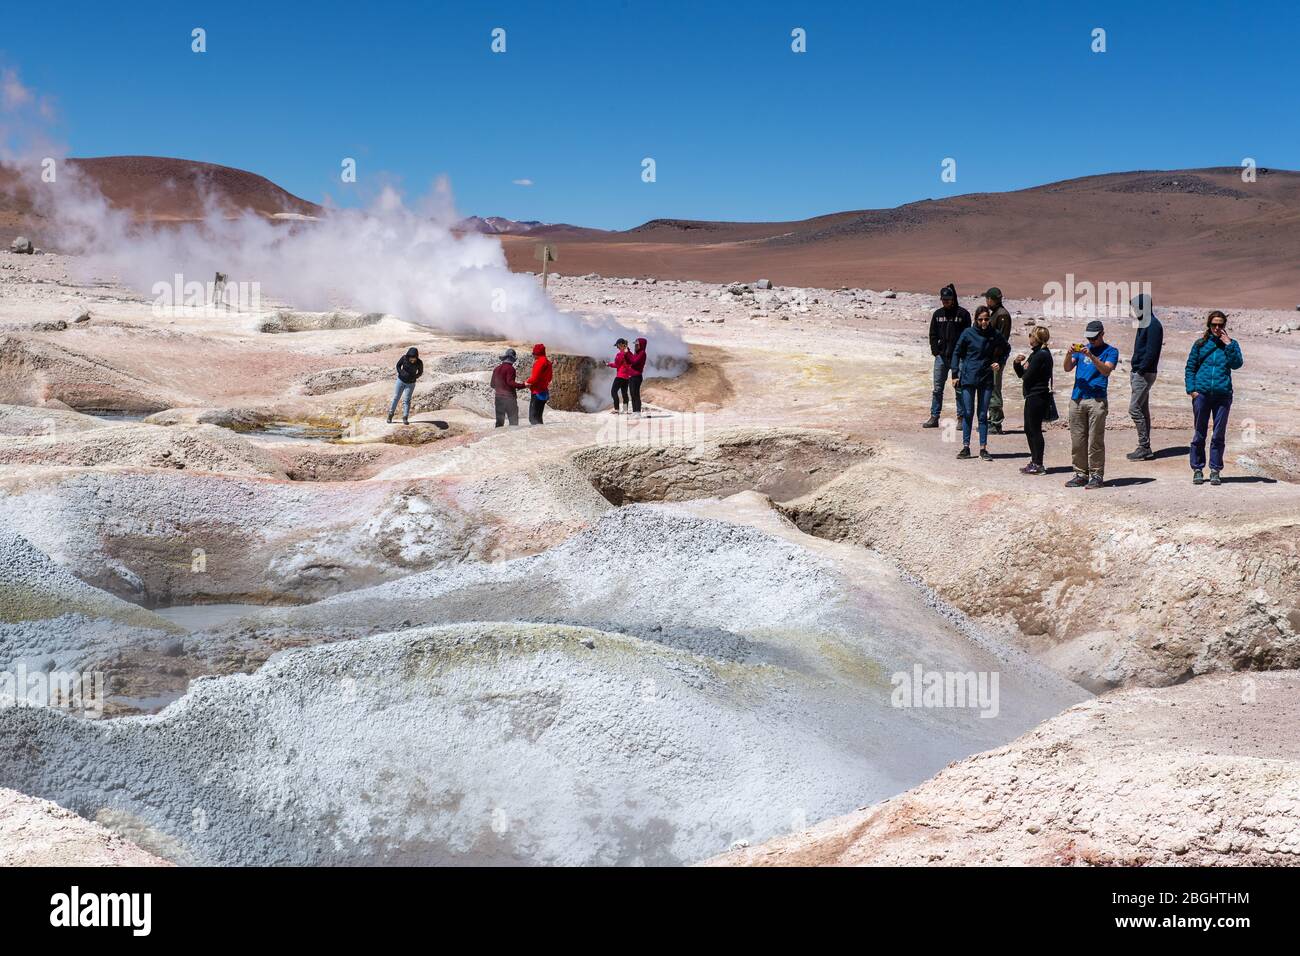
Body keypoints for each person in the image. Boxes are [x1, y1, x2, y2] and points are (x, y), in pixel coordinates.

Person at [1185, 310, 1243, 486]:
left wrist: (1229, 344)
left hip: (1222, 395)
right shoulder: (1200, 344)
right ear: (1209, 326)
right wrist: (1192, 390)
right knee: (1199, 433)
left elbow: (1237, 364)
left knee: (1218, 434)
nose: (1217, 328)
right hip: (1202, 395)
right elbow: (1190, 368)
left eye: (1220, 325)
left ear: (1224, 326)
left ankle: (1215, 470)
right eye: (1214, 325)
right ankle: (1197, 469)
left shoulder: (1231, 344)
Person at [950, 305, 1010, 460]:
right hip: (969, 378)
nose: (983, 322)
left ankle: (983, 448)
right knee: (968, 413)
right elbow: (956, 352)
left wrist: (999, 361)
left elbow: (1006, 348)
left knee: (982, 414)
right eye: (980, 319)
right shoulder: (968, 333)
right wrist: (955, 374)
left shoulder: (994, 334)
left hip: (986, 378)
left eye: (986, 319)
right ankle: (966, 447)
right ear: (976, 319)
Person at [1064, 320, 1118, 489]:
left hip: (1097, 400)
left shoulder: (1111, 351)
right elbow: (1067, 368)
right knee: (1078, 439)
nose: (1091, 341)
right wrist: (1068, 354)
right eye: (1089, 338)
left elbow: (1106, 370)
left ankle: (1096, 475)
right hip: (1077, 399)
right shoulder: (1080, 351)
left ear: (1102, 334)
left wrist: (1092, 356)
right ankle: (1080, 473)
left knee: (1095, 439)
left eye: (1094, 338)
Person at [923, 284, 971, 428]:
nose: (946, 302)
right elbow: (932, 334)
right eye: (943, 300)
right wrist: (935, 351)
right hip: (941, 357)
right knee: (937, 389)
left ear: (953, 299)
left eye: (948, 299)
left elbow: (968, 335)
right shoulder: (938, 315)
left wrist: (963, 352)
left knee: (959, 388)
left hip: (959, 358)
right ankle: (934, 416)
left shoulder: (963, 314)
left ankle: (961, 418)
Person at [1126, 293, 1164, 461]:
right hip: (1140, 371)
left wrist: (1140, 370)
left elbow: (1152, 352)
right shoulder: (1144, 323)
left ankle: (1144, 446)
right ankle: (1144, 447)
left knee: (1134, 409)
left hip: (1145, 372)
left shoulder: (1153, 325)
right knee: (1142, 409)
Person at [1012, 325, 1054, 475]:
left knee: (1034, 430)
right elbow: (1022, 374)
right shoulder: (1036, 354)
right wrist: (1016, 363)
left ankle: (1038, 463)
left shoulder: (1041, 355)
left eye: (1031, 334)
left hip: (1037, 396)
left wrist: (1025, 370)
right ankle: (1034, 461)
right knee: (1028, 429)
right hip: (1032, 396)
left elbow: (1027, 376)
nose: (1029, 337)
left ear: (1036, 338)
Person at [983, 287, 1013, 434]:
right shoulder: (995, 313)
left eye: (987, 298)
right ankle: (991, 420)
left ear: (992, 299)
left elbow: (1001, 340)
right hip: (991, 359)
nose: (986, 301)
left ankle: (996, 423)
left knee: (994, 389)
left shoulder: (1002, 315)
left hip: (996, 360)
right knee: (989, 388)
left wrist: (995, 358)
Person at [490, 348, 527, 427]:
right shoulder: (511, 369)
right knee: (513, 422)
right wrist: (523, 385)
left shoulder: (496, 369)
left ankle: (497, 438)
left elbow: (492, 384)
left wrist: (500, 387)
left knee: (499, 423)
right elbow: (510, 382)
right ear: (512, 359)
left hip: (498, 399)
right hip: (509, 399)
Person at [387, 347, 423, 425]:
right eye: (411, 358)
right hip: (400, 381)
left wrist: (415, 377)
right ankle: (390, 415)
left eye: (414, 359)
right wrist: (401, 373)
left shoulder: (419, 362)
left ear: (416, 357)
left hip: (410, 384)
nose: (412, 360)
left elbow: (420, 372)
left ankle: (405, 417)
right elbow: (398, 366)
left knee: (407, 400)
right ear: (408, 356)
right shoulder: (404, 358)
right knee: (396, 398)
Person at [526, 343, 553, 425]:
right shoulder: (548, 363)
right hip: (544, 393)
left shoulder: (539, 362)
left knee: (533, 418)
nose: (533, 356)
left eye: (533, 353)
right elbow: (549, 378)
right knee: (539, 417)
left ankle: (535, 436)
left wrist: (527, 382)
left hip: (537, 392)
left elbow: (534, 378)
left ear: (537, 353)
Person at [607, 338, 632, 413]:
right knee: (624, 393)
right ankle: (625, 410)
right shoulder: (630, 353)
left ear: (621, 345)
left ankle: (616, 409)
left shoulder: (620, 354)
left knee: (613, 392)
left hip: (620, 376)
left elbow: (617, 365)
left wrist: (609, 364)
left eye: (617, 346)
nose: (617, 348)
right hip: (627, 377)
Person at [627, 337, 648, 413]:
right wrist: (627, 351)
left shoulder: (642, 353)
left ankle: (638, 412)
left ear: (641, 345)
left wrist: (628, 351)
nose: (635, 346)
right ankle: (634, 411)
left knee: (636, 394)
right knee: (632, 395)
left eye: (637, 345)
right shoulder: (637, 353)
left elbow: (634, 362)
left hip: (636, 376)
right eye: (635, 345)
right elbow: (630, 360)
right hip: (631, 376)